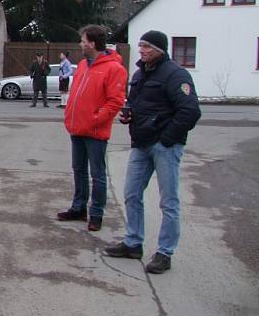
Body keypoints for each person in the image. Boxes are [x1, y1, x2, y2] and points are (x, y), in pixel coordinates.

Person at [104, 30, 201, 274]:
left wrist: (167, 139)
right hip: (141, 144)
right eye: (141, 46)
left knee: (168, 202)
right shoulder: (139, 74)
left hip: (165, 147)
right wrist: (128, 115)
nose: (142, 50)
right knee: (131, 193)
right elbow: (134, 103)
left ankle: (165, 252)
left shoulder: (176, 75)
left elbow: (190, 111)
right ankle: (133, 242)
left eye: (147, 46)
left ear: (160, 49)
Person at [57, 25, 127, 231]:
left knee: (97, 173)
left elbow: (115, 101)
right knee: (78, 170)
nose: (80, 44)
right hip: (77, 128)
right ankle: (79, 208)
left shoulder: (114, 69)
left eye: (83, 40)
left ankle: (96, 213)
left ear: (93, 43)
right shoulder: (83, 65)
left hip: (95, 131)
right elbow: (76, 94)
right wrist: (69, 115)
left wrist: (96, 118)